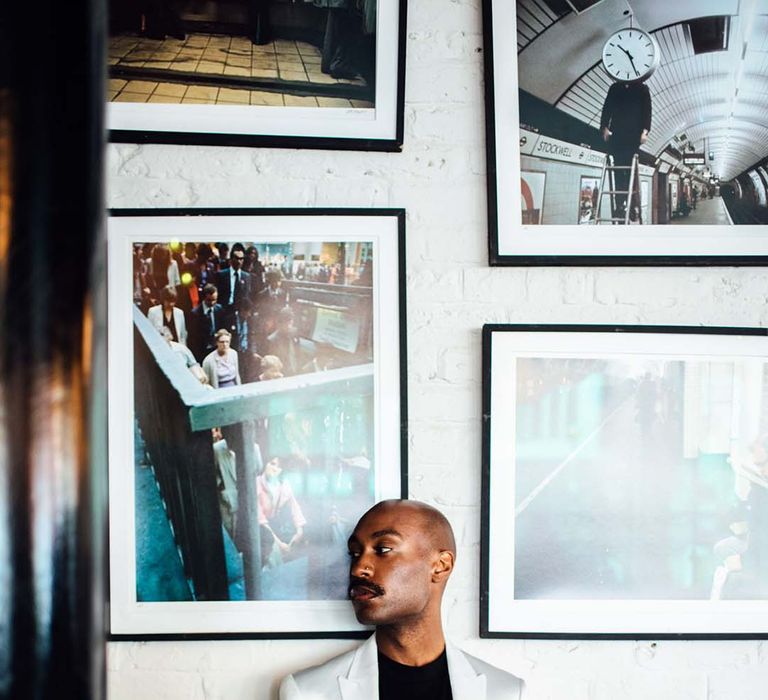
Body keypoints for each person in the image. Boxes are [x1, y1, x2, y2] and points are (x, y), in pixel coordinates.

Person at [280, 499, 524, 699]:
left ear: (440, 566)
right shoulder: (308, 692)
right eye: (355, 553)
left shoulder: (505, 692)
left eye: (383, 549)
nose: (358, 569)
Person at [600, 80, 652, 222]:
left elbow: (647, 111)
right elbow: (607, 107)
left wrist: (645, 131)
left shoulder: (642, 89)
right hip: (617, 134)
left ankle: (628, 204)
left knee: (629, 169)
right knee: (618, 168)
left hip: (633, 135)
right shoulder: (615, 88)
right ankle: (621, 204)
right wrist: (604, 126)